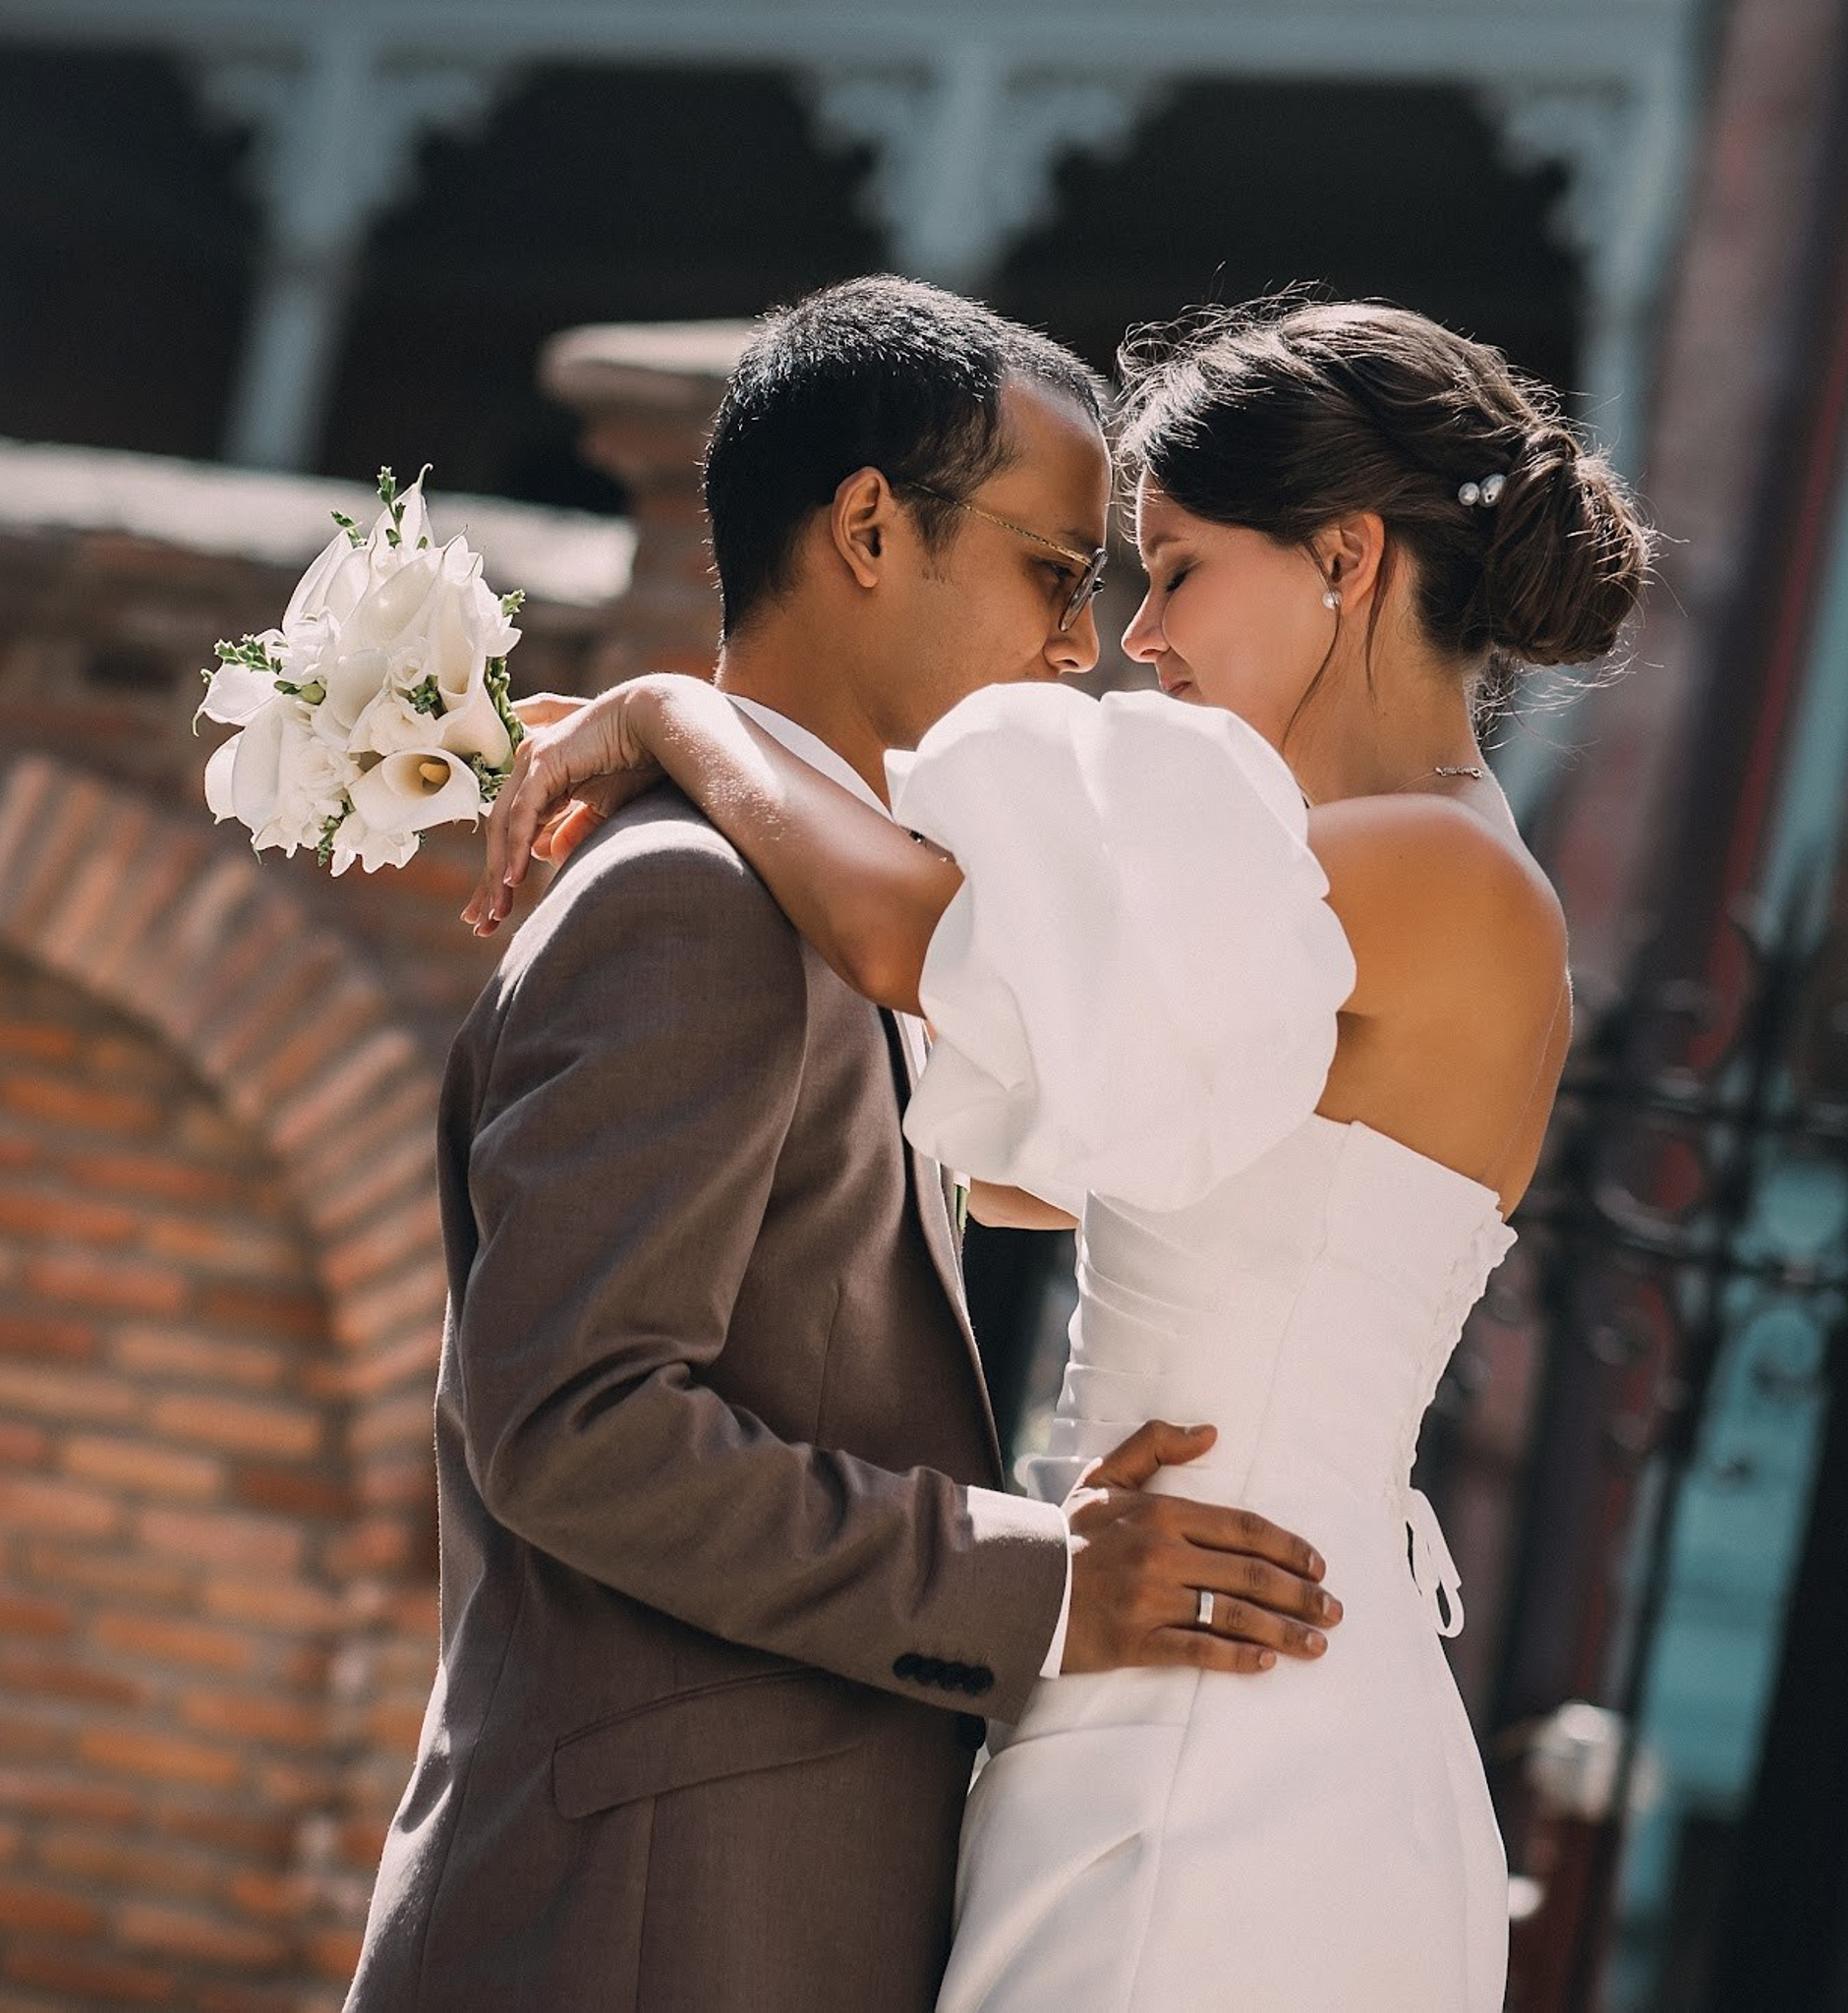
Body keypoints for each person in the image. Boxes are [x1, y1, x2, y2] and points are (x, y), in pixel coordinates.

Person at [472, 297, 1649, 2013]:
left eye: (1174, 570)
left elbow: (916, 945)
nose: (1135, 639)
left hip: (1233, 1725)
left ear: (1343, 561)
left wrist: (673, 714)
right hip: (1155, 1658)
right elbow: (1003, 1146)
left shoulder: (1435, 875)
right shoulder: (1320, 894)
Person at [344, 280, 1342, 2013]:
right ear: (872, 528)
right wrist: (1033, 1580)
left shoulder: (804, 911)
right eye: (1056, 567)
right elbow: (572, 1428)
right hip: (633, 1925)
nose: (1081, 644)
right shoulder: (690, 905)